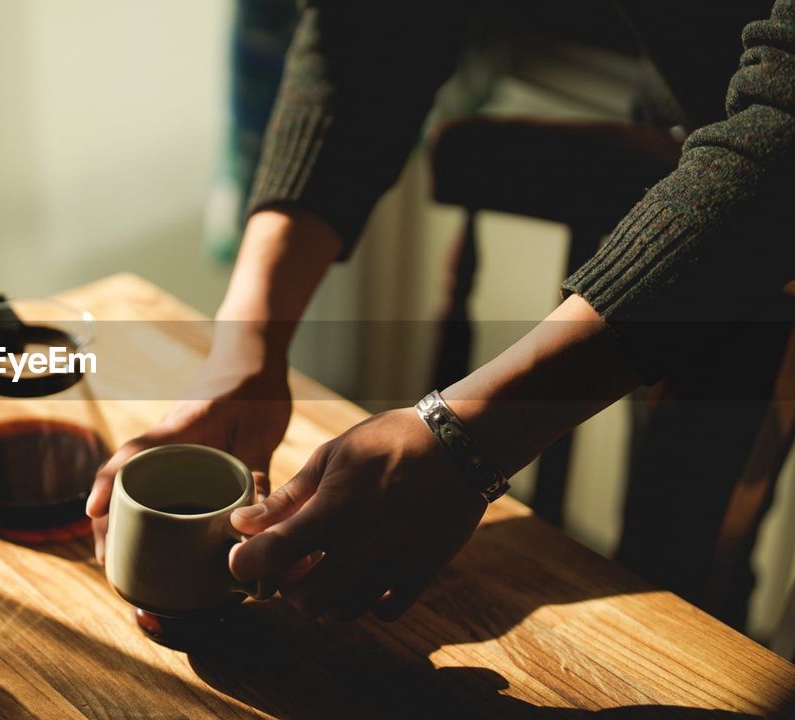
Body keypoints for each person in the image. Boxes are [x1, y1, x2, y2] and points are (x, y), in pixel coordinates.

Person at [87, 0, 795, 623]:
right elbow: (372, 26)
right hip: (706, 153)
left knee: (707, 581)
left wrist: (467, 438)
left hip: (761, 195)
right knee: (672, 536)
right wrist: (244, 346)